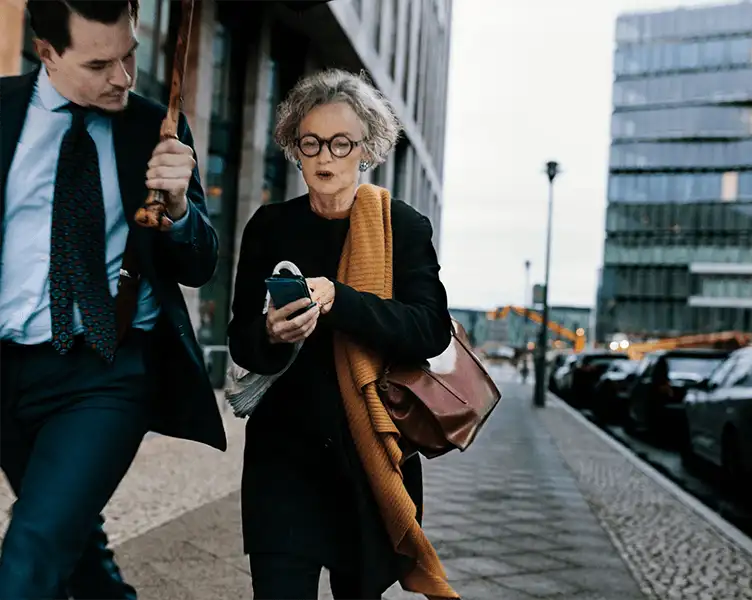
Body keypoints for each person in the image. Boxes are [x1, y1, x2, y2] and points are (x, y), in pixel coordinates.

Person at [0, 0, 226, 598]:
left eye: (129, 55)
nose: (123, 77)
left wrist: (179, 210)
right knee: (75, 550)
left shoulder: (157, 129)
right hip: (5, 366)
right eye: (100, 64)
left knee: (32, 549)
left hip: (103, 375)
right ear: (47, 52)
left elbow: (200, 264)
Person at [228, 69, 458, 599]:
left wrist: (339, 299)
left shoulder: (402, 226)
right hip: (282, 460)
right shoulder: (269, 226)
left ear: (366, 148)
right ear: (294, 147)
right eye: (311, 143)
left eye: (340, 143)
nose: (325, 157)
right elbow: (241, 339)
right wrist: (271, 331)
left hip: (368, 458)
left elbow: (430, 330)